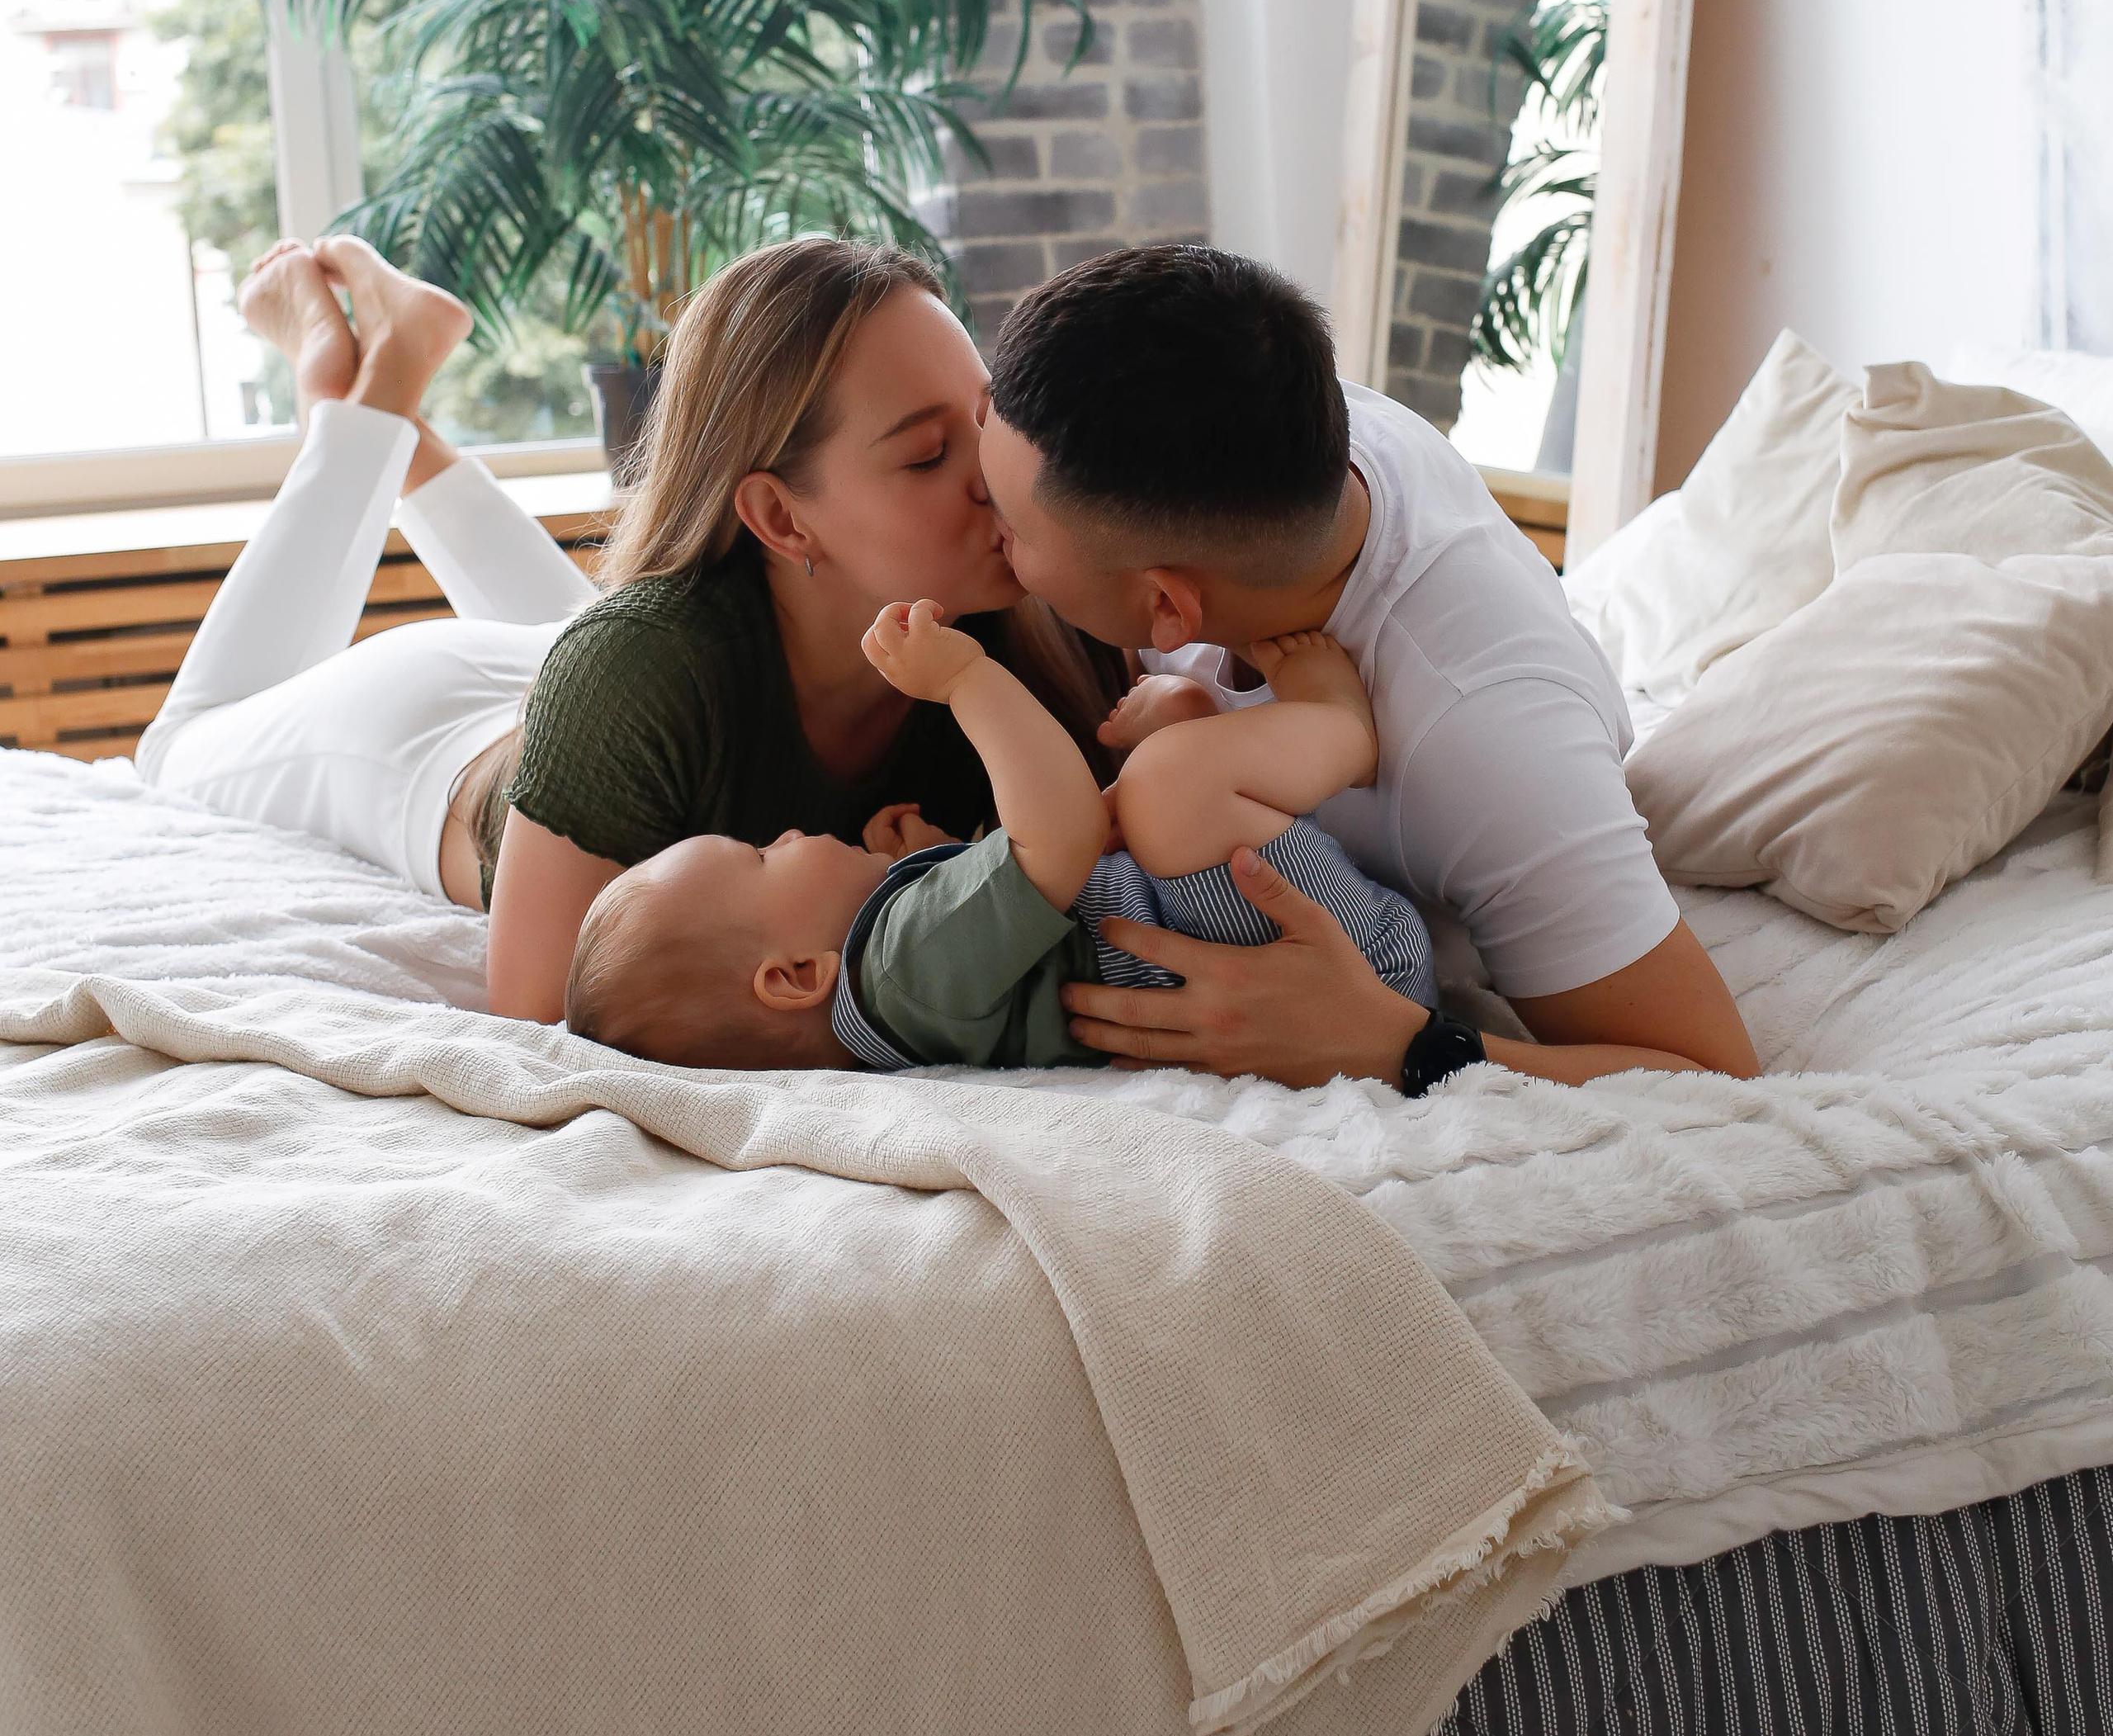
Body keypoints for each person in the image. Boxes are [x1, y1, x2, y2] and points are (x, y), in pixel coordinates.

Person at [135, 235, 1117, 1019]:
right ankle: (352, 382)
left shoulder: (1016, 624)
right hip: (422, 734)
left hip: (609, 660)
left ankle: (389, 403)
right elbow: (539, 1016)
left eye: (984, 423)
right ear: (781, 518)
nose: (989, 475)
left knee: (608, 638)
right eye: (927, 455)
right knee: (175, 746)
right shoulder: (639, 668)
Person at [976, 244, 1761, 1090]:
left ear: (1167, 606)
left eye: (1012, 530)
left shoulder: (1488, 744)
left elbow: (1710, 1071)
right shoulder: (1258, 425)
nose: (982, 523)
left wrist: (1394, 1042)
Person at [560, 607, 1436, 1071]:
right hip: (1324, 972)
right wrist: (965, 681)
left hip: (1241, 951)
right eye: (759, 855)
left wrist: (930, 858)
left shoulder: (896, 997)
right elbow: (1058, 836)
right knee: (1167, 784)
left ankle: (1197, 734)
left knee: (1161, 763)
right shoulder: (901, 966)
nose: (785, 833)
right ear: (796, 976)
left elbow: (1021, 909)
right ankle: (1338, 724)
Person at [133, 236, 598, 908]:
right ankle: (380, 383)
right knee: (175, 747)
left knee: (591, 641)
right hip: (459, 744)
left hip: (559, 684)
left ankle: (375, 393)